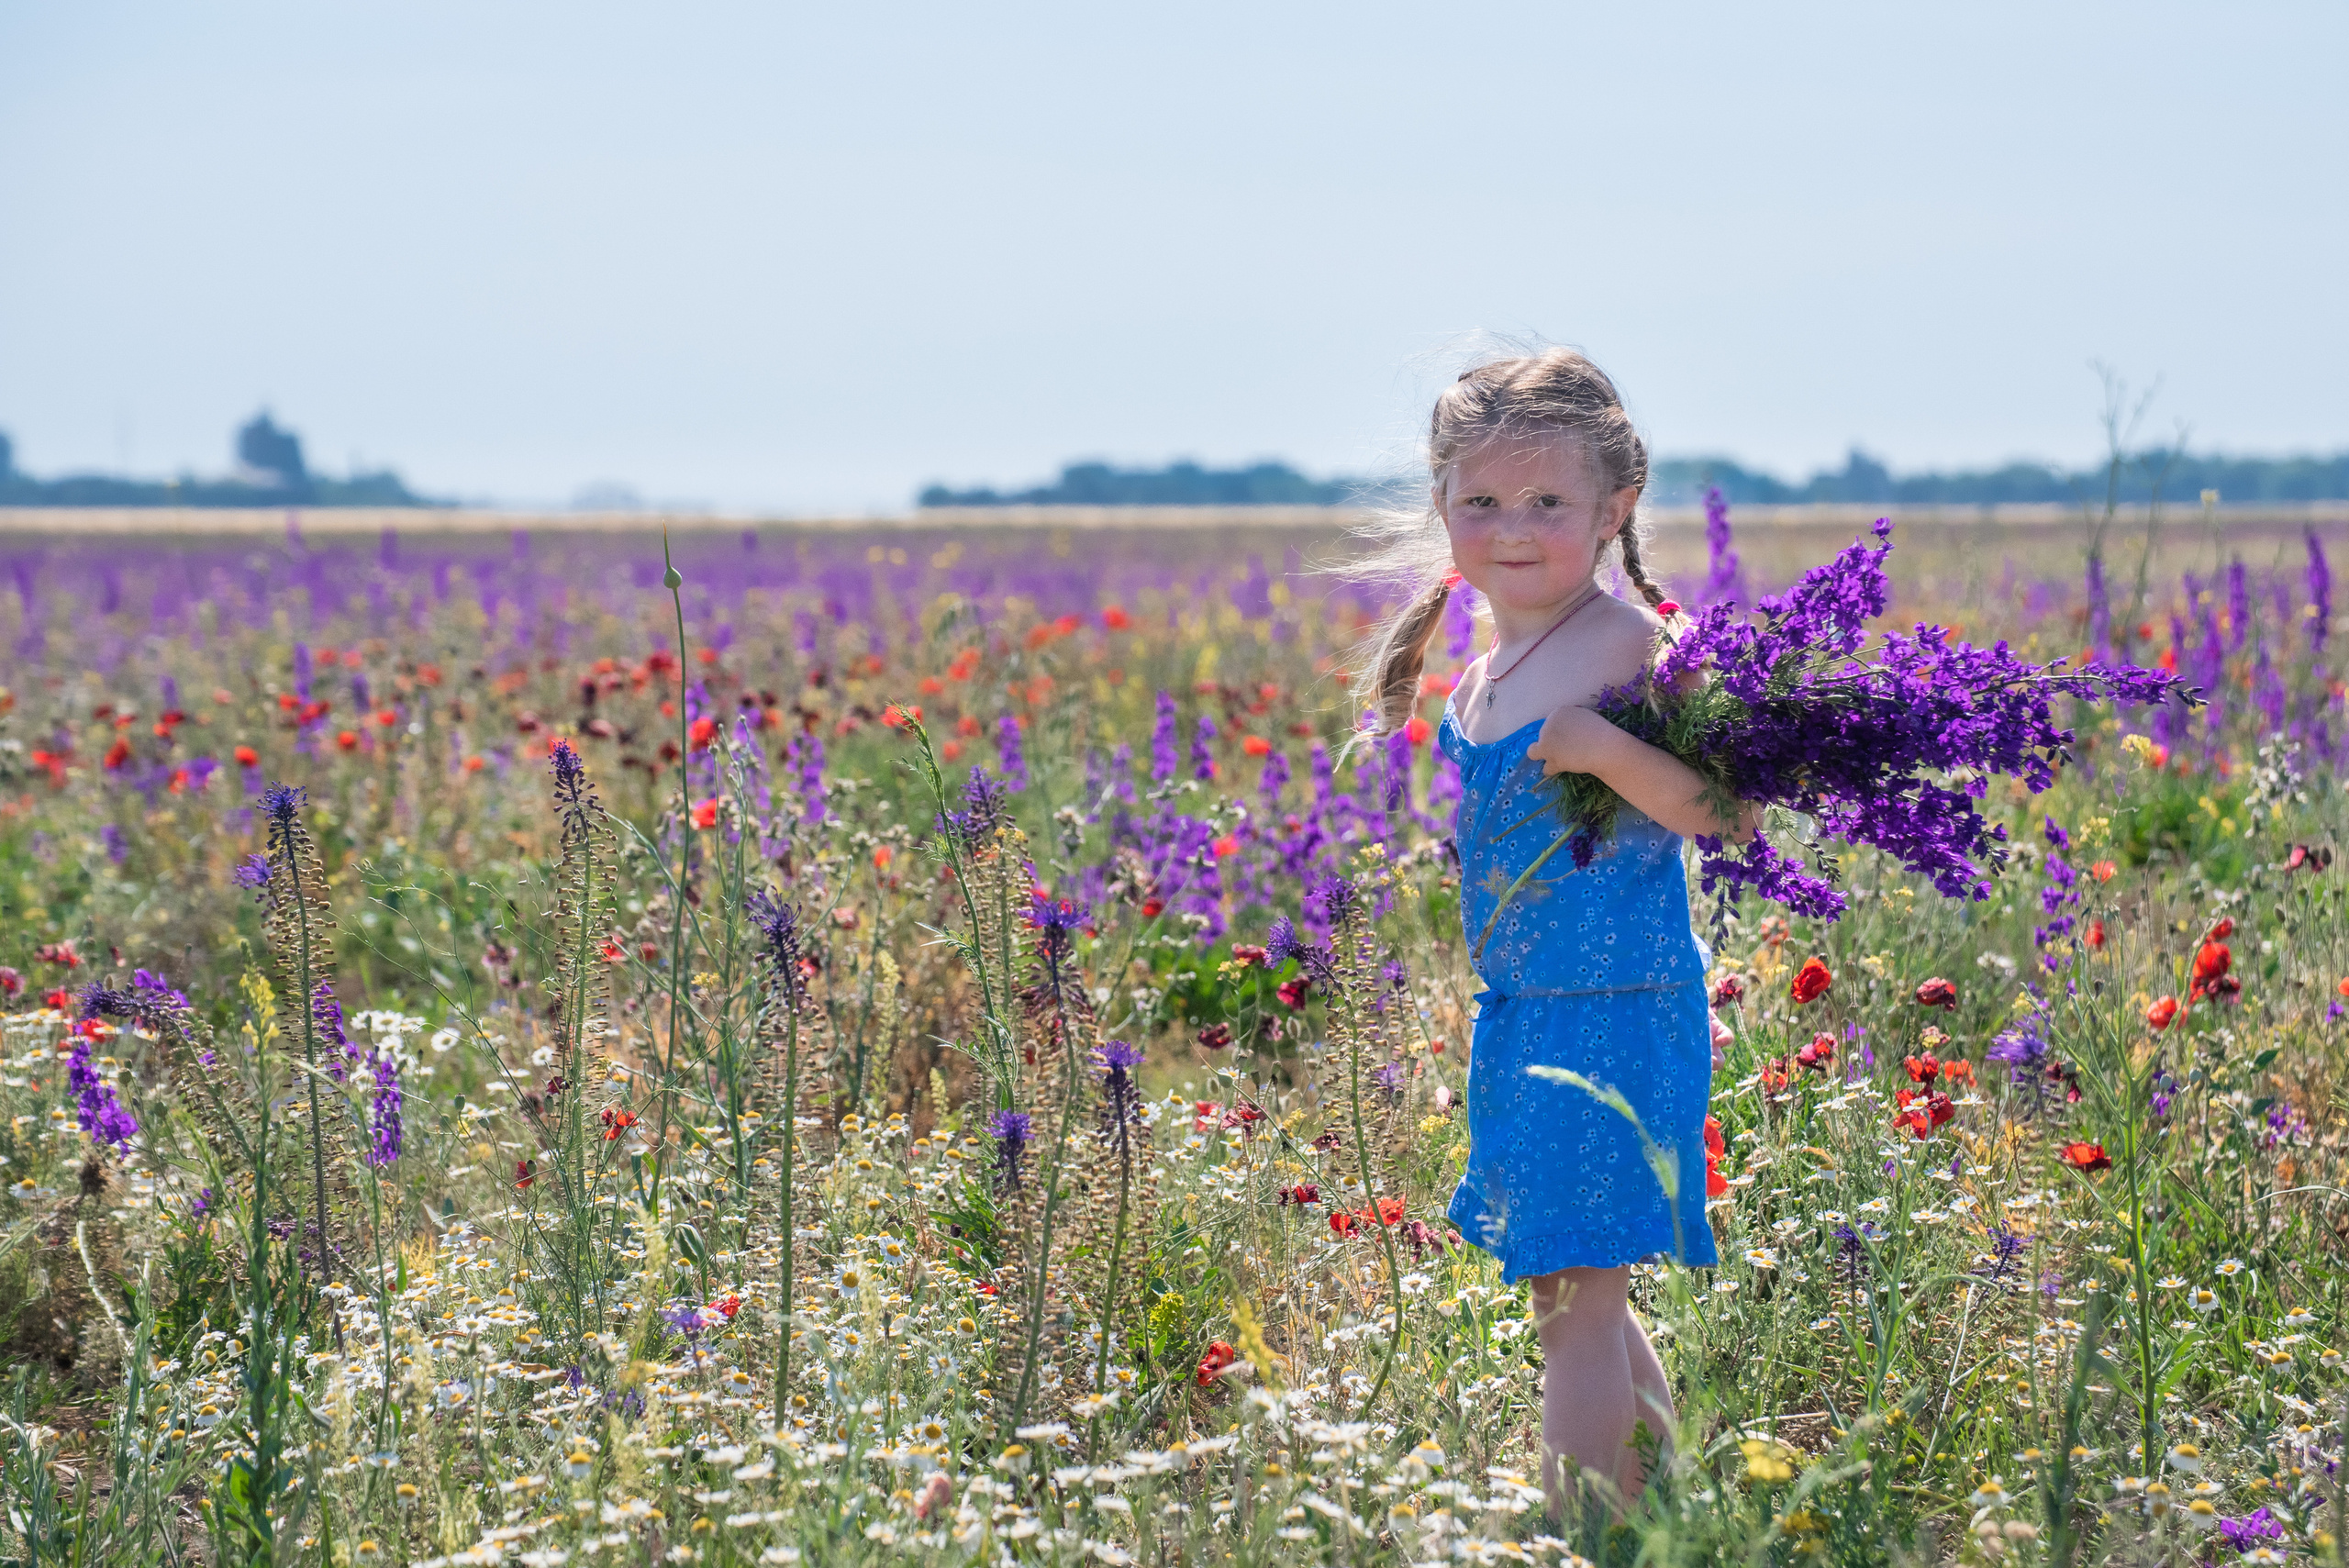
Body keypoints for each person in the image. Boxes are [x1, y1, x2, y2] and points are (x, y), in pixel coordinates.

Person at [1353, 347, 1749, 1509]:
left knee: (1576, 1301)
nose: (1511, 527)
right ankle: (1660, 1515)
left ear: (1613, 507)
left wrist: (1603, 745)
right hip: (1529, 1013)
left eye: (1545, 501)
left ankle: (1586, 1530)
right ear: (1441, 500)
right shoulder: (1486, 668)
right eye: (1481, 498)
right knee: (1577, 1297)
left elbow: (1728, 811)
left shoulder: (1633, 646)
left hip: (1614, 1010)